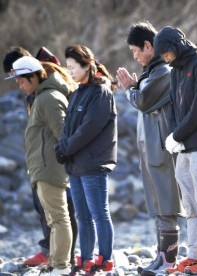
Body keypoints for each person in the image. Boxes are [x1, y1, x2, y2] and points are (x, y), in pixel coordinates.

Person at [153, 26, 197, 275]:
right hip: (183, 147)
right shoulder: (175, 70)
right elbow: (173, 107)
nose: (164, 58)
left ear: (176, 46)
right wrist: (174, 135)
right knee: (191, 206)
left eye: (166, 53)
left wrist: (179, 134)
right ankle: (194, 255)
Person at [116, 21, 182, 275]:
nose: (135, 57)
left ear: (148, 45)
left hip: (162, 149)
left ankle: (168, 260)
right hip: (152, 149)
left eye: (135, 51)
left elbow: (143, 100)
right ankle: (160, 256)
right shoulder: (151, 73)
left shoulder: (163, 71)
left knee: (166, 202)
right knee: (157, 203)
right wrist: (134, 87)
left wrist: (129, 90)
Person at [3, 47, 79, 269]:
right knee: (53, 220)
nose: (20, 87)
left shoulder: (48, 98)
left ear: (34, 76)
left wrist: (57, 161)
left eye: (21, 81)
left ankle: (62, 264)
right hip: (43, 168)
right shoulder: (41, 97)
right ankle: (55, 261)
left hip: (49, 169)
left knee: (59, 218)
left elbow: (63, 134)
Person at [55, 44, 117, 274]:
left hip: (93, 164)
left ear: (86, 65)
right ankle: (86, 258)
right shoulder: (77, 92)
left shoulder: (101, 92)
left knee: (99, 212)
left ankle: (105, 259)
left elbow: (89, 129)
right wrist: (60, 146)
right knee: (82, 215)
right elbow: (68, 127)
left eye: (73, 67)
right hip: (76, 165)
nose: (69, 71)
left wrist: (66, 148)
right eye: (67, 67)